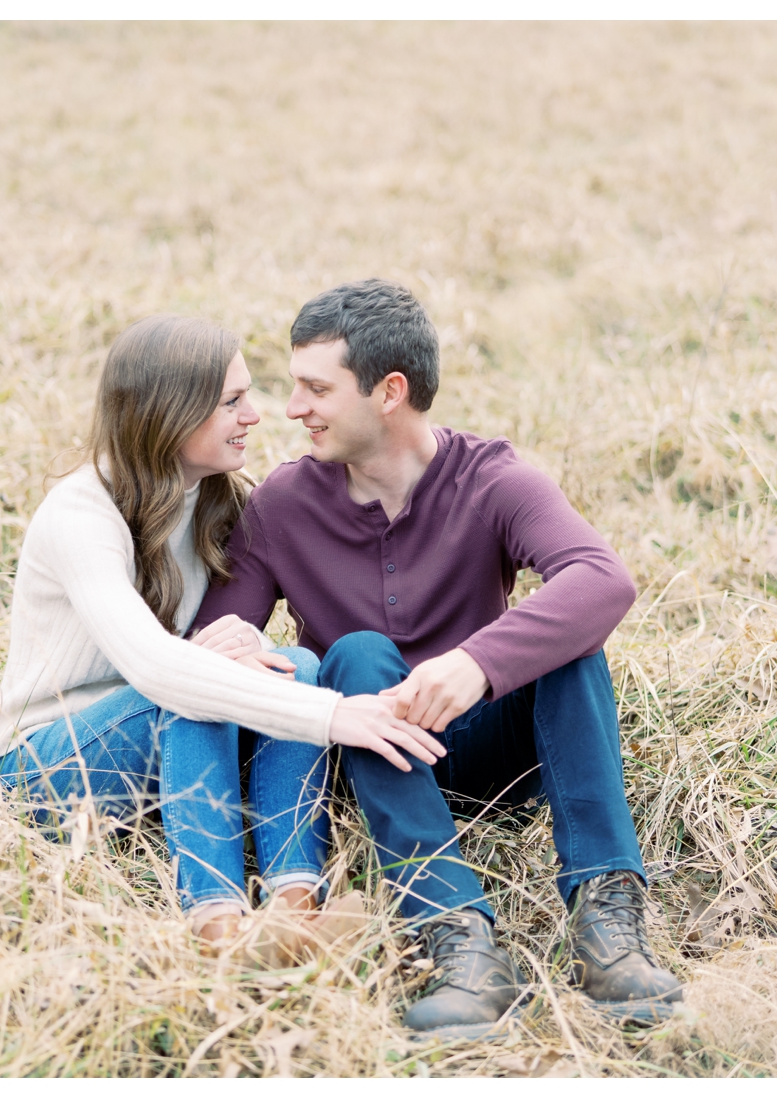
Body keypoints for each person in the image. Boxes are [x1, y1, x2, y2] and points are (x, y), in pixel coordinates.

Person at [192, 279, 683, 1036]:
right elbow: (223, 647)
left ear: (389, 392)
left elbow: (602, 579)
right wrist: (246, 643)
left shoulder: (492, 479)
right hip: (371, 756)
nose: (293, 409)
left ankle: (607, 924)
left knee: (574, 647)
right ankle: (458, 945)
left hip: (489, 745)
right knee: (356, 653)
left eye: (316, 388)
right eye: (295, 386)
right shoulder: (283, 505)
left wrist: (477, 664)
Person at [0, 314, 446, 957]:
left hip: (158, 738)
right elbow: (157, 670)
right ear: (168, 413)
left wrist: (259, 657)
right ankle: (218, 929)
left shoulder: (218, 501)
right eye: (231, 401)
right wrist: (335, 715)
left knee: (296, 664)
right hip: (49, 766)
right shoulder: (80, 514)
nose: (257, 415)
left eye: (247, 395)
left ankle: (293, 907)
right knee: (197, 692)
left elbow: (202, 660)